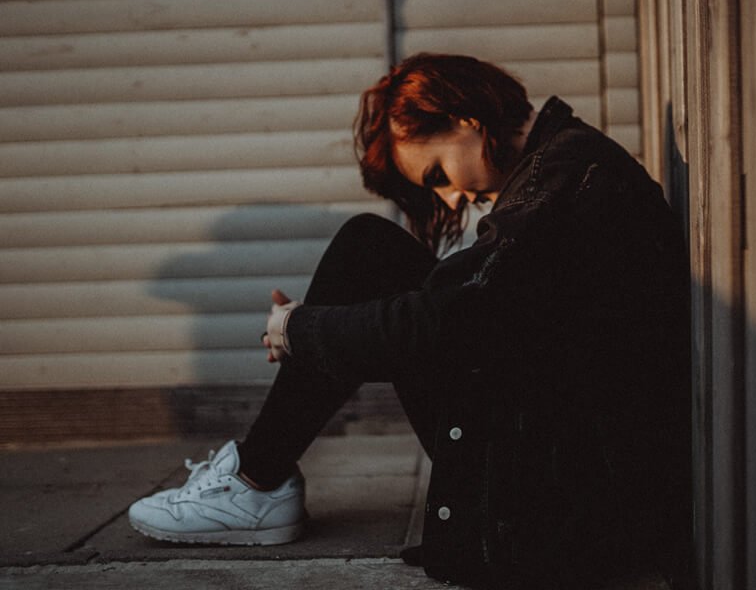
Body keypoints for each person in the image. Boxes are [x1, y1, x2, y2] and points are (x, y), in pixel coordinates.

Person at [128, 53, 692, 588]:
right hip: (573, 472)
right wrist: (317, 326)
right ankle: (257, 477)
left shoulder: (563, 176)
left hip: (565, 510)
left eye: (438, 175)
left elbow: (447, 322)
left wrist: (298, 331)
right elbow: (473, 313)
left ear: (465, 117)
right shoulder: (564, 164)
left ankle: (255, 480)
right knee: (372, 254)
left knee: (368, 251)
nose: (451, 200)